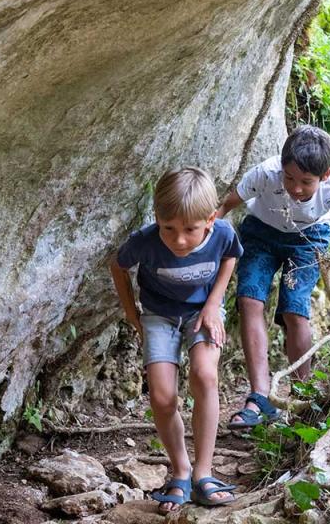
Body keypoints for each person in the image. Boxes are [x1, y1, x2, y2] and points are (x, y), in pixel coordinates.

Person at [217, 125, 330, 429]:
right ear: (281, 168)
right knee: (249, 299)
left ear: (324, 175)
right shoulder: (266, 172)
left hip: (309, 239)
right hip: (260, 231)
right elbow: (225, 205)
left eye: (306, 182)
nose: (296, 188)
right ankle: (259, 397)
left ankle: (302, 398)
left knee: (294, 309)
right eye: (289, 178)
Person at [110, 167, 242, 512]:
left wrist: (214, 304)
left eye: (190, 230)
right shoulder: (146, 240)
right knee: (163, 396)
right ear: (157, 218)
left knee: (204, 374)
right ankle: (181, 470)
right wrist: (132, 314)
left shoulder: (223, 233)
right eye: (169, 228)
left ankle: (203, 472)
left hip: (203, 312)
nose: (179, 239)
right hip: (159, 316)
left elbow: (231, 256)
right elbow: (118, 265)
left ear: (210, 220)